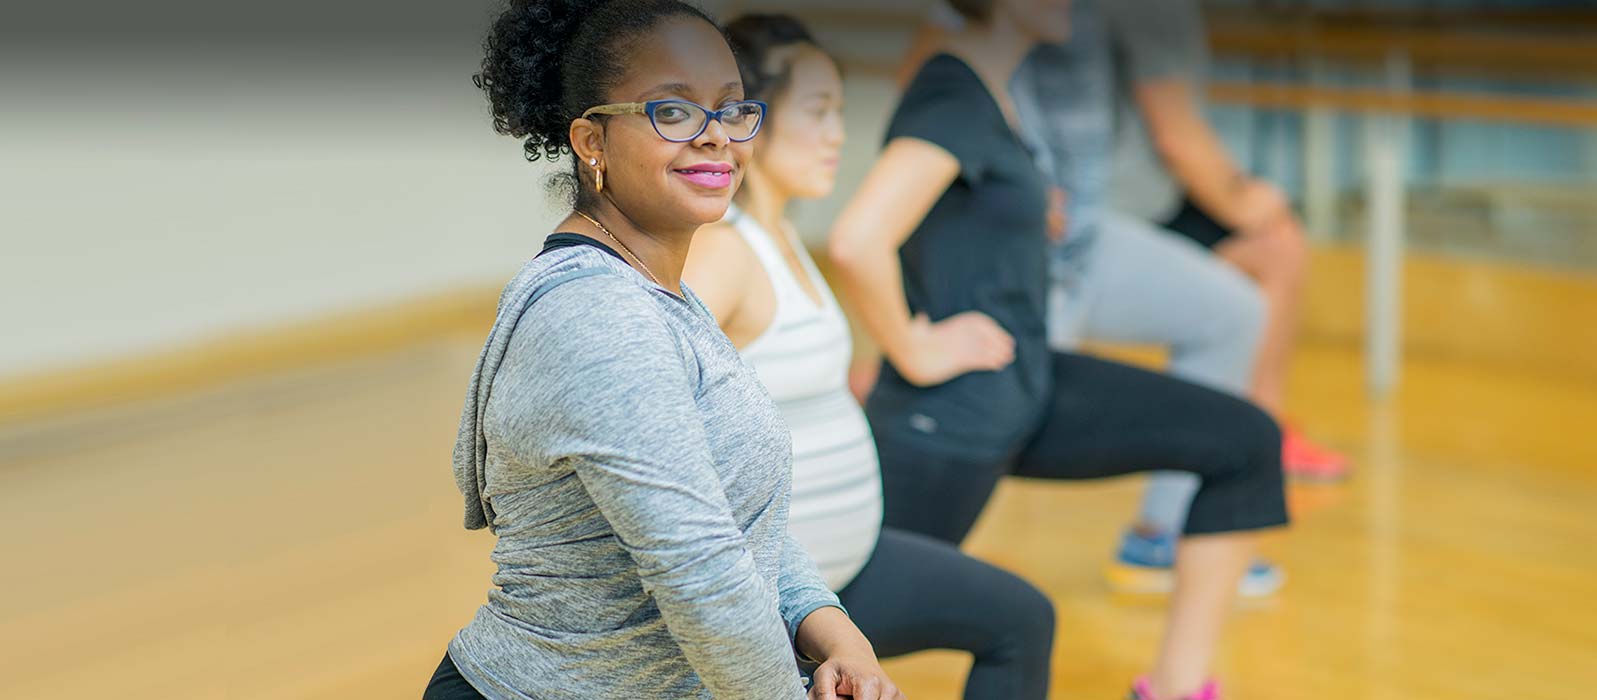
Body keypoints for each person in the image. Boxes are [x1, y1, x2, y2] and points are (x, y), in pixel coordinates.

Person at [426, 2, 902, 698]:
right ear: (591, 140)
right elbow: (702, 571)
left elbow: (738, 520)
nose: (717, 138)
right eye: (672, 112)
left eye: (732, 108)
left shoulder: (662, 295)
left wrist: (834, 631)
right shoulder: (597, 314)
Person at [830, 0, 1290, 698]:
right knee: (829, 621)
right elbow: (857, 240)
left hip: (1024, 387)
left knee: (1243, 441)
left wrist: (1025, 210)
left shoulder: (992, 90)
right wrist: (914, 349)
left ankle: (1174, 687)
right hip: (951, 422)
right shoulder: (951, 90)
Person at [684, 14, 1056, 699]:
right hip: (780, 607)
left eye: (841, 113)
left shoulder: (786, 238)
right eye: (819, 112)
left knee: (1022, 618)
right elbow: (663, 427)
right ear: (748, 122)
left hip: (844, 573)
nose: (838, 136)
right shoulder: (722, 251)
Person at [1103, 0, 1349, 480]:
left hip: (1140, 196)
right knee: (1275, 246)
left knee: (1273, 247)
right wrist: (1244, 200)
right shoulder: (1149, 11)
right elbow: (1174, 133)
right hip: (1117, 210)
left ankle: (1259, 431)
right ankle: (1258, 431)